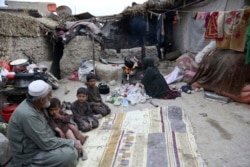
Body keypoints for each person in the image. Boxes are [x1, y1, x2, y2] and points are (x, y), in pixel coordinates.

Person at [7, 80, 79, 167]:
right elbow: (46, 143)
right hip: (30, 155)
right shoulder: (28, 115)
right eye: (49, 95)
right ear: (42, 100)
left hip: (44, 142)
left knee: (71, 131)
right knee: (70, 155)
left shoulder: (40, 105)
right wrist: (71, 142)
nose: (51, 97)